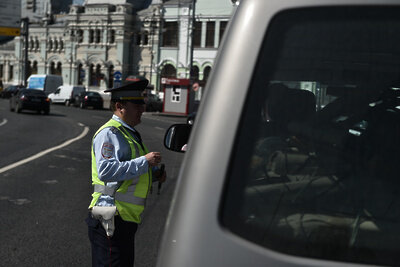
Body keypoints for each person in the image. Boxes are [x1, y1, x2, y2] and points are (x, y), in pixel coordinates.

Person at [86, 79, 166, 267]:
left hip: (124, 221)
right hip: (111, 218)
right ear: (120, 106)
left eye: (142, 103)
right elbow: (106, 171)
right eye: (136, 104)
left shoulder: (127, 133)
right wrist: (144, 161)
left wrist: (154, 175)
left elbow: (128, 173)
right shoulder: (110, 133)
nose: (142, 108)